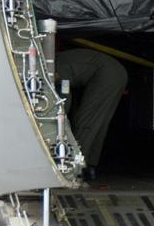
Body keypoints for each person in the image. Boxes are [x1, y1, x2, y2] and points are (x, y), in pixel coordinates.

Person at [55, 47, 128, 181]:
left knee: (85, 121)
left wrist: (61, 118)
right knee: (99, 123)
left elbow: (64, 97)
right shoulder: (60, 60)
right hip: (117, 73)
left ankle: (73, 166)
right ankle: (89, 166)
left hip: (107, 75)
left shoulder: (55, 67)